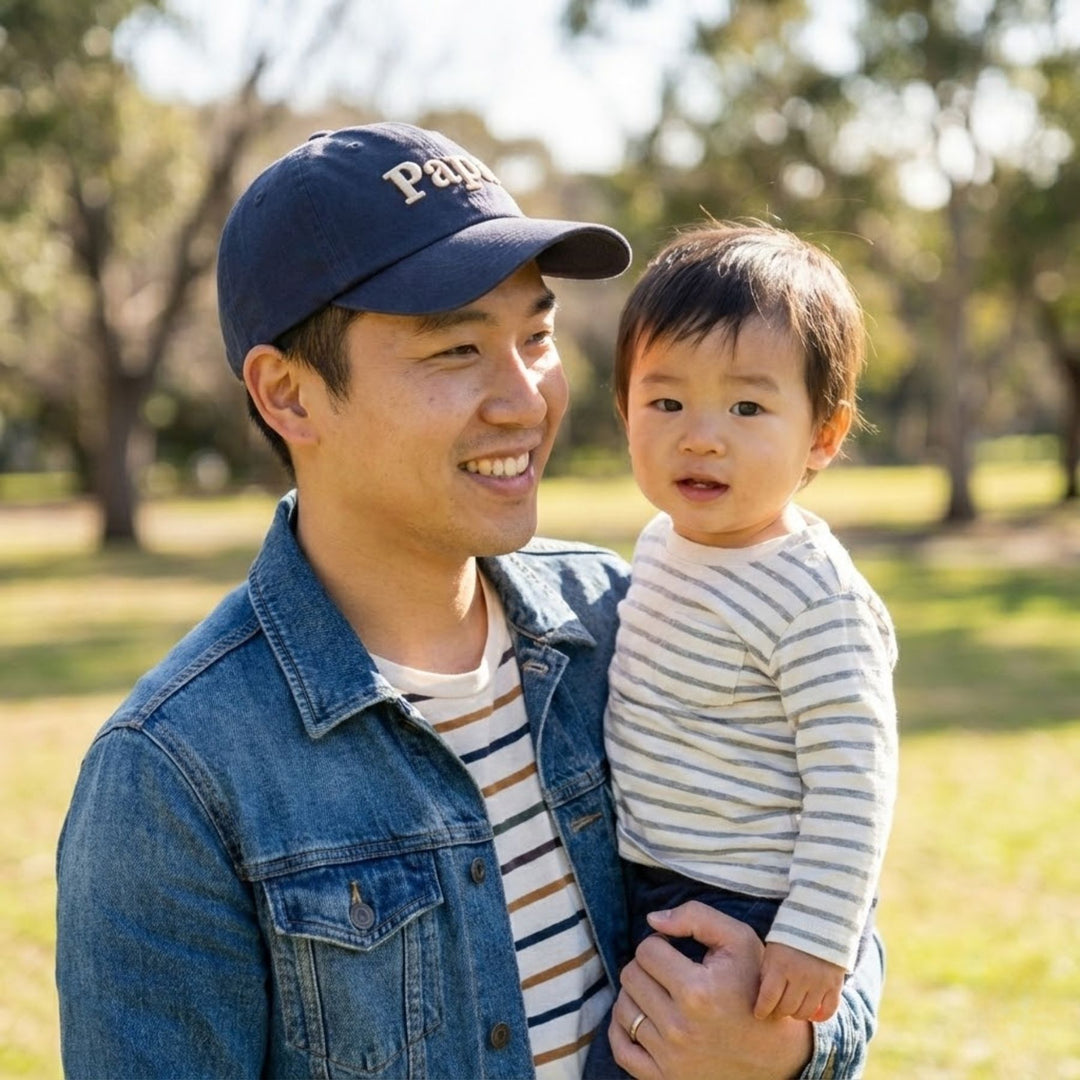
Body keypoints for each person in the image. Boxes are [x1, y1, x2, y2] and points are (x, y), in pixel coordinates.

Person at [56, 124, 881, 1079]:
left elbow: (821, 898)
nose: (526, 400)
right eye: (455, 350)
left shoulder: (626, 615)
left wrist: (789, 1046)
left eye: (536, 335)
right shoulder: (171, 780)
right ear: (288, 396)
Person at [587, 222, 898, 1078]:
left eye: (748, 407)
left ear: (824, 436)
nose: (701, 435)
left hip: (749, 904)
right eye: (666, 401)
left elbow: (854, 777)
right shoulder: (658, 543)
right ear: (626, 412)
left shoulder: (814, 597)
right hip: (640, 881)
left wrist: (816, 934)